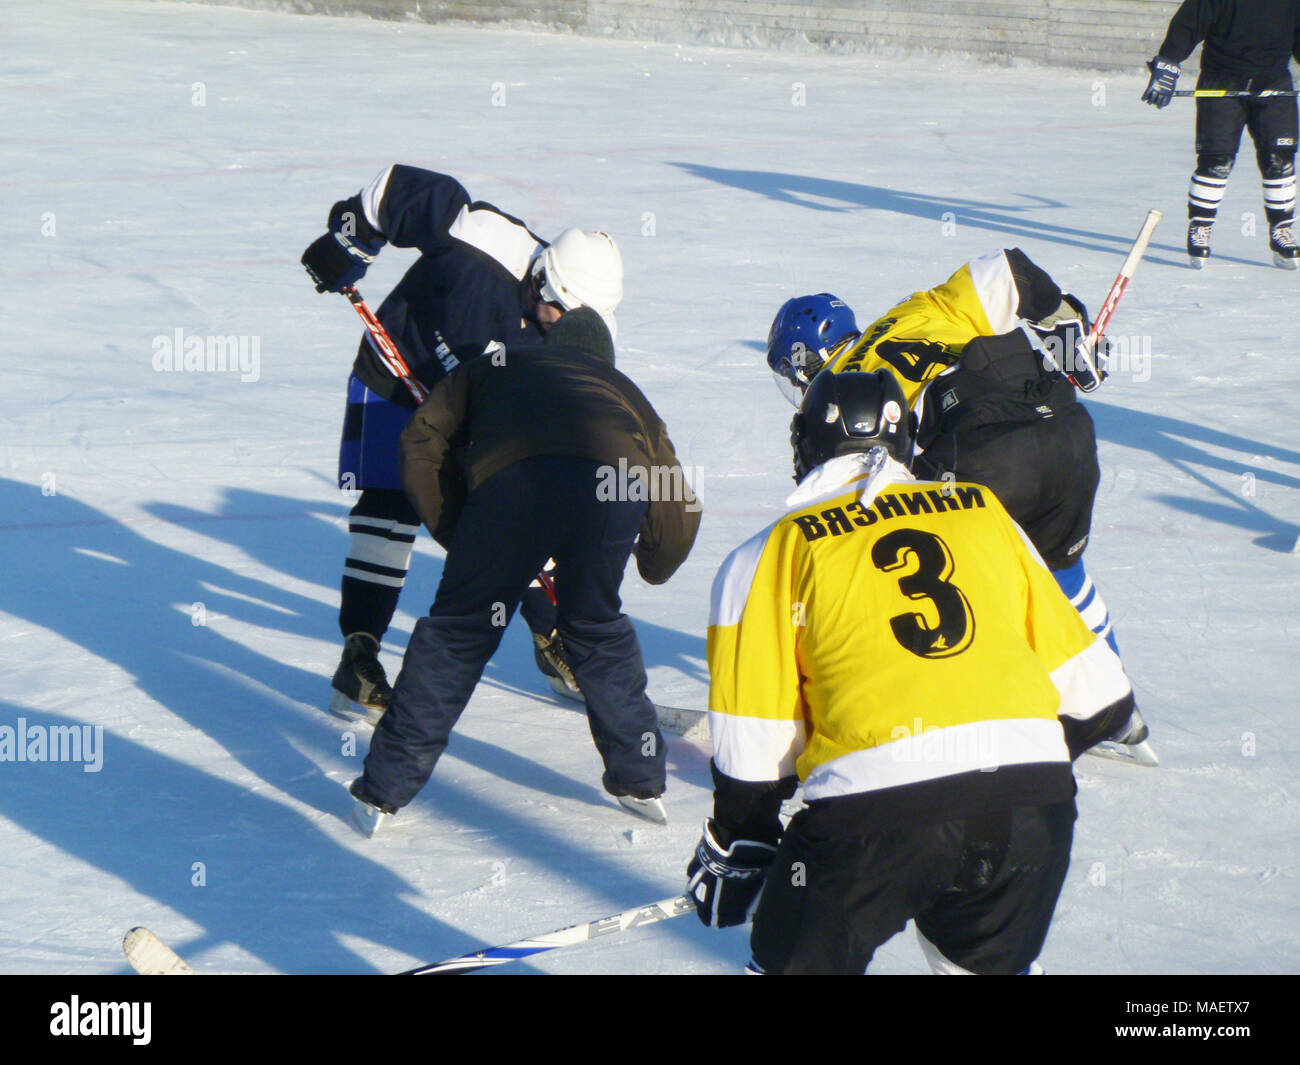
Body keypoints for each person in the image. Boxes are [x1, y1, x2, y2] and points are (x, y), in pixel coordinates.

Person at [686, 369, 1136, 974]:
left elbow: (755, 745)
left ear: (805, 445)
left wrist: (741, 842)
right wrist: (1003, 780)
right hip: (1033, 811)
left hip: (872, 820)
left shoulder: (770, 552)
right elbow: (1101, 698)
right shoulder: (983, 511)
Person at [764, 252, 1153, 761]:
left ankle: (951, 709)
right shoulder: (920, 310)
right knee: (1065, 577)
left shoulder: (841, 396)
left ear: (803, 362)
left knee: (956, 587)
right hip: (1070, 439)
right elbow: (1013, 271)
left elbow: (850, 505)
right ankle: (1120, 715)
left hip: (986, 469)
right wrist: (1070, 340)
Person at [347, 307, 701, 835]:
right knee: (597, 626)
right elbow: (678, 500)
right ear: (602, 359)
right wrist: (655, 562)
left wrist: (456, 530)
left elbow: (421, 438)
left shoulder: (497, 362)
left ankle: (384, 789)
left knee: (458, 636)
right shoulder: (626, 390)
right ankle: (640, 779)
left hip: (514, 483)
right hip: (612, 488)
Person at [302, 165, 625, 720]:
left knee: (513, 515)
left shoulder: (580, 333)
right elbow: (390, 192)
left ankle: (552, 639)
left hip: (477, 412)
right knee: (388, 508)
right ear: (542, 282)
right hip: (396, 375)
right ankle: (359, 656)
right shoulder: (485, 241)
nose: (563, 333)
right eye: (560, 316)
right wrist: (347, 240)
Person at [1140, 0, 1300, 269]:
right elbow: (1187, 25)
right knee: (1217, 160)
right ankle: (1200, 226)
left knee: (1280, 159)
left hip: (1273, 82)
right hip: (1221, 81)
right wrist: (1168, 62)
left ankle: (1281, 228)